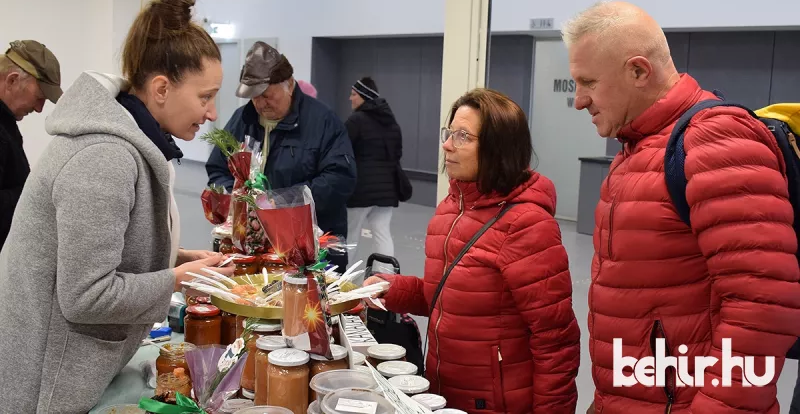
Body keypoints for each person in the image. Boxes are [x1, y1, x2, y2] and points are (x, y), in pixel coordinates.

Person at [0, 0, 233, 412]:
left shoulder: (133, 142)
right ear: (161, 88)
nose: (212, 112)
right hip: (43, 386)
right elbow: (87, 295)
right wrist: (180, 281)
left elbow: (105, 245)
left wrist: (177, 259)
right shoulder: (104, 155)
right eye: (206, 96)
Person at [563, 1, 800, 413]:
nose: (579, 101)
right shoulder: (637, 147)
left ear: (638, 71)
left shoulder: (716, 141)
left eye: (588, 83)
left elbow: (763, 307)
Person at [364, 88, 580, 414]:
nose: (447, 145)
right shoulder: (448, 213)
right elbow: (444, 299)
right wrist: (390, 288)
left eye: (463, 136)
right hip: (442, 395)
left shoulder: (527, 225)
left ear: (498, 148)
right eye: (449, 133)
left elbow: (556, 342)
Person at [205, 42, 356, 269]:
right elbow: (218, 167)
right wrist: (236, 200)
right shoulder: (242, 119)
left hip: (308, 246)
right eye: (254, 97)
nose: (260, 104)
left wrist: (280, 202)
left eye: (266, 95)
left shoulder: (323, 121)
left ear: (290, 85)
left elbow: (341, 179)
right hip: (252, 244)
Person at [0, 40, 62, 250]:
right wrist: (35, 191)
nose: (39, 109)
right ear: (12, 80)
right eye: (39, 98)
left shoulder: (6, 124)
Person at [345, 77, 403, 261]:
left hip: (360, 190)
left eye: (353, 94)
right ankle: (385, 277)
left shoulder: (355, 121)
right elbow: (397, 154)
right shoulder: (391, 122)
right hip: (387, 190)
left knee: (350, 236)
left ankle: (342, 280)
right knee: (382, 233)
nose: (350, 98)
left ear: (364, 97)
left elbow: (343, 151)